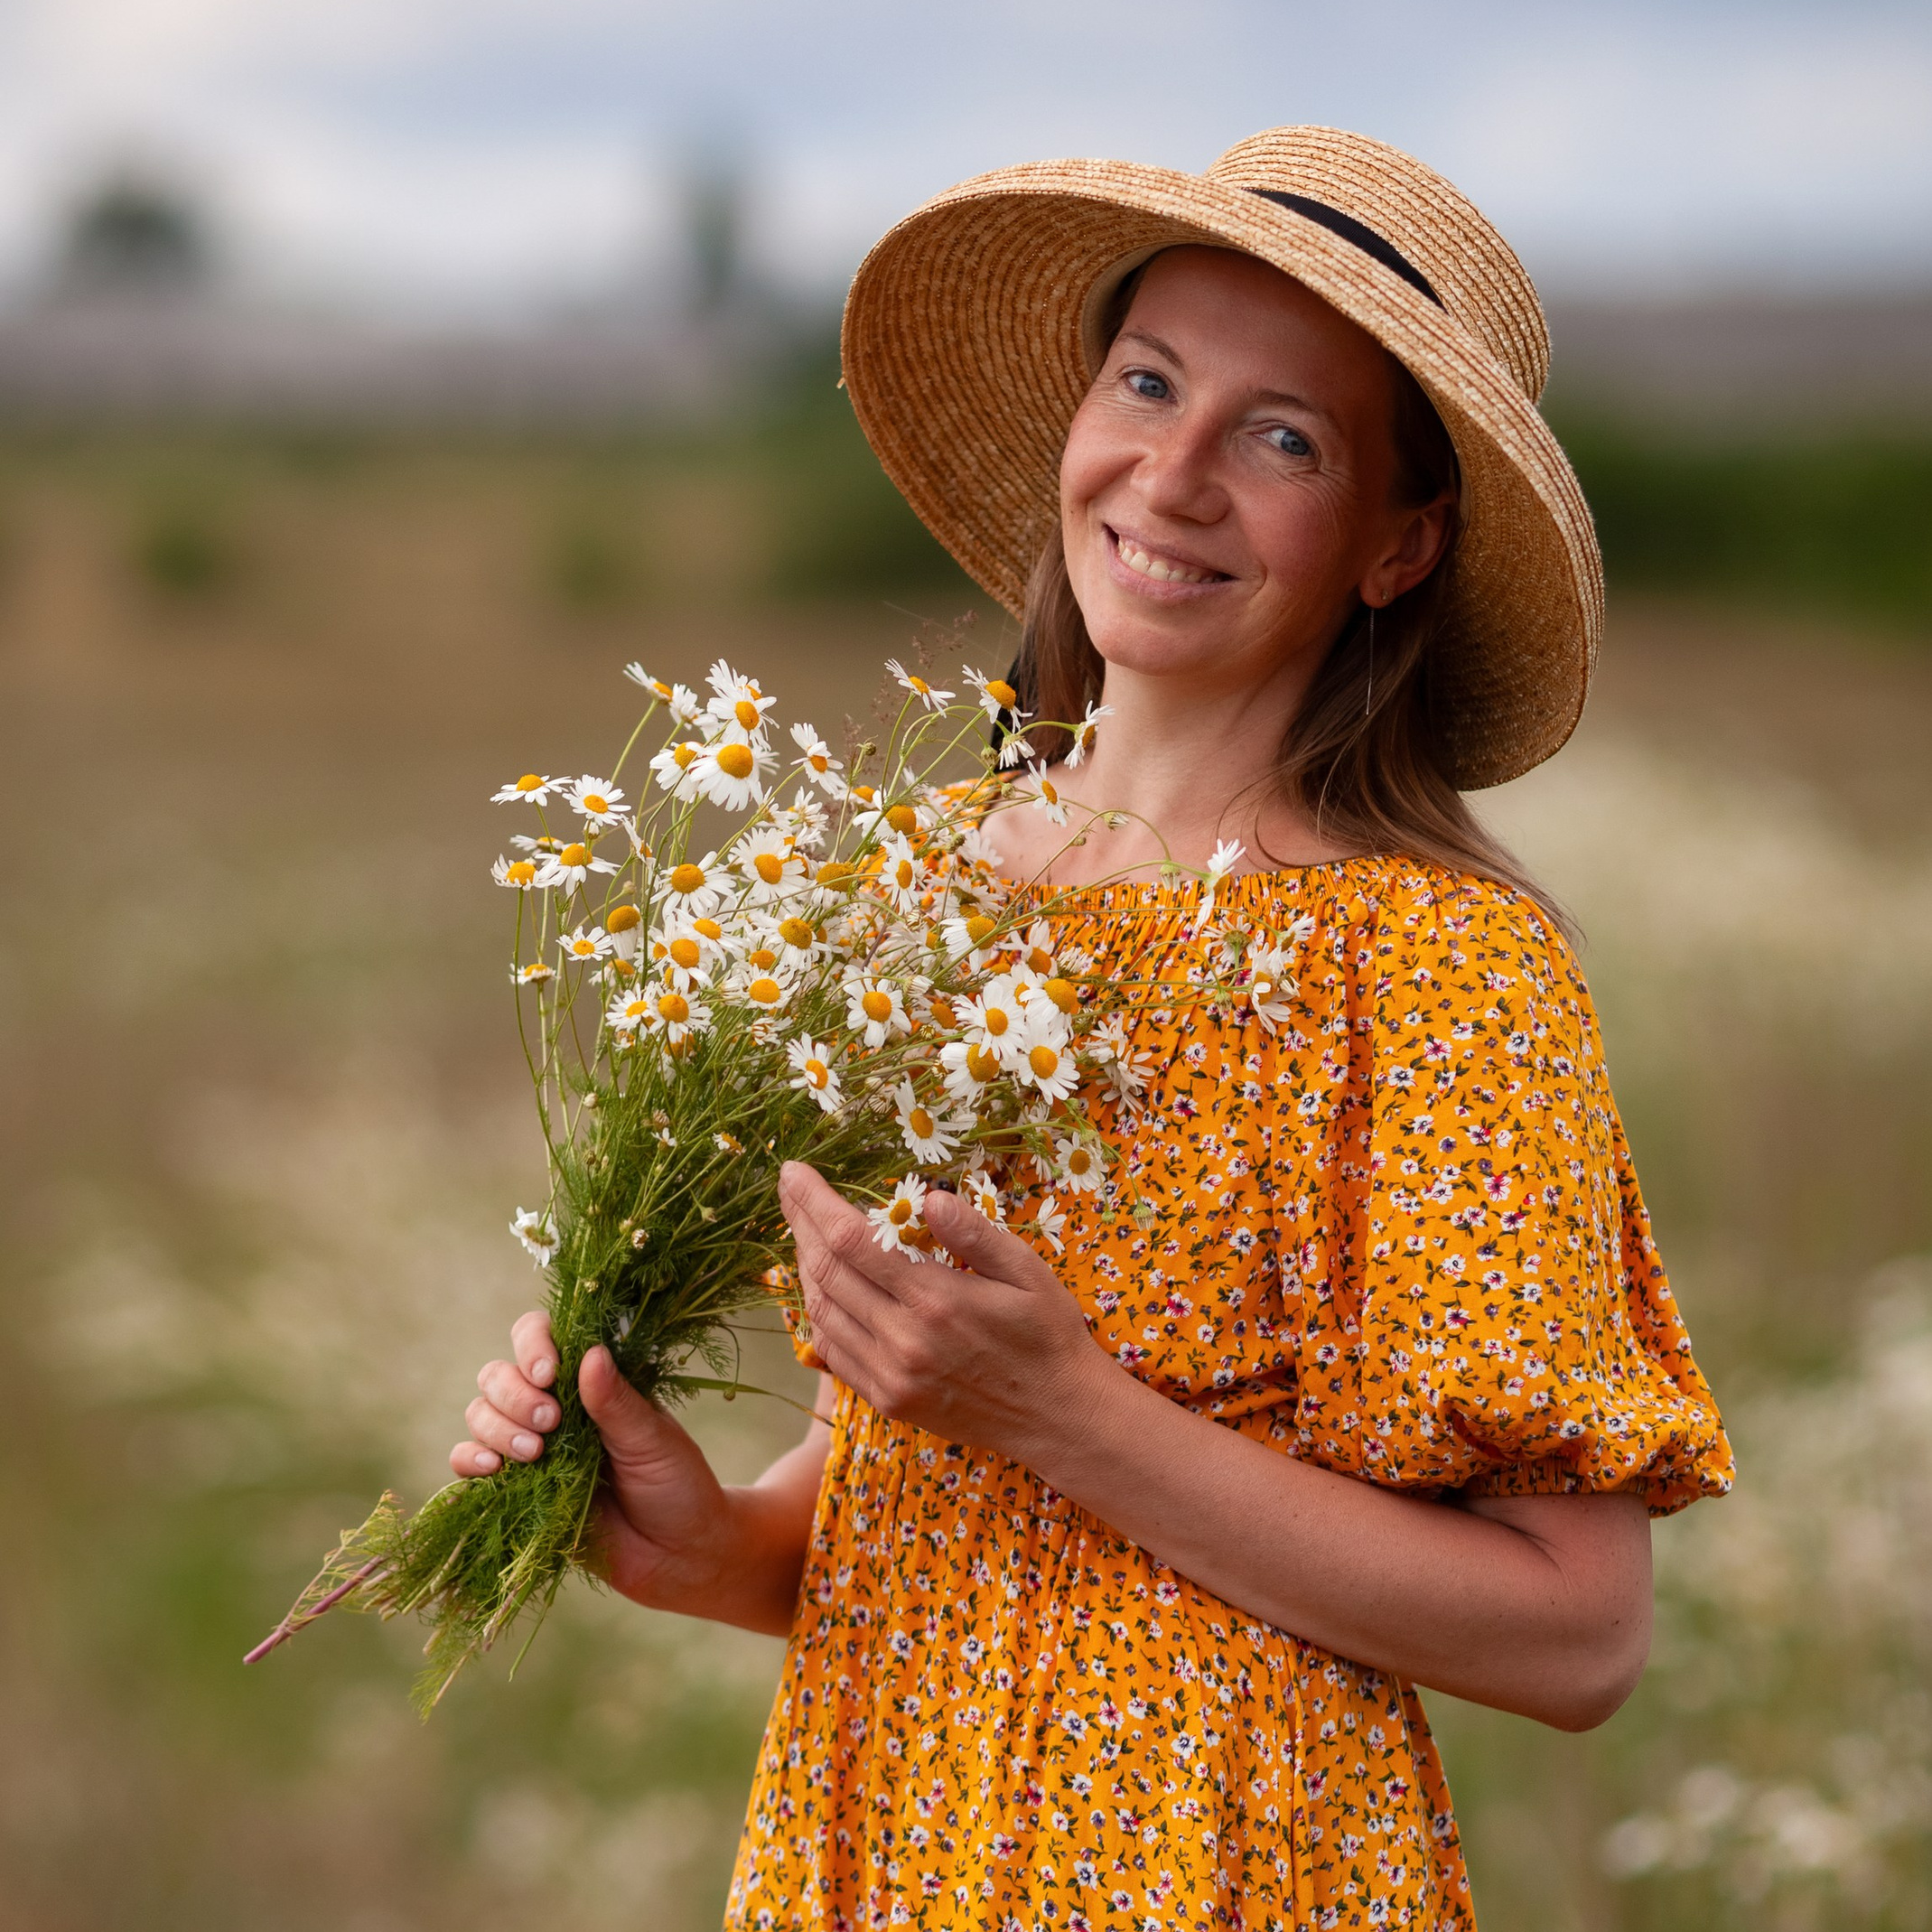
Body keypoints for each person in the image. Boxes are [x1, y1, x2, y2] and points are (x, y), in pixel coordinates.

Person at [452, 127, 1732, 1929]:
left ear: (1394, 544)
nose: (1175, 472)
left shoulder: (1439, 970)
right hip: (877, 1841)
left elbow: (1574, 1627)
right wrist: (703, 1538)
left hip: (1223, 1868)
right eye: (1147, 382)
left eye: (1279, 436)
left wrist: (1067, 1408)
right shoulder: (908, 902)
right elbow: (933, 1498)